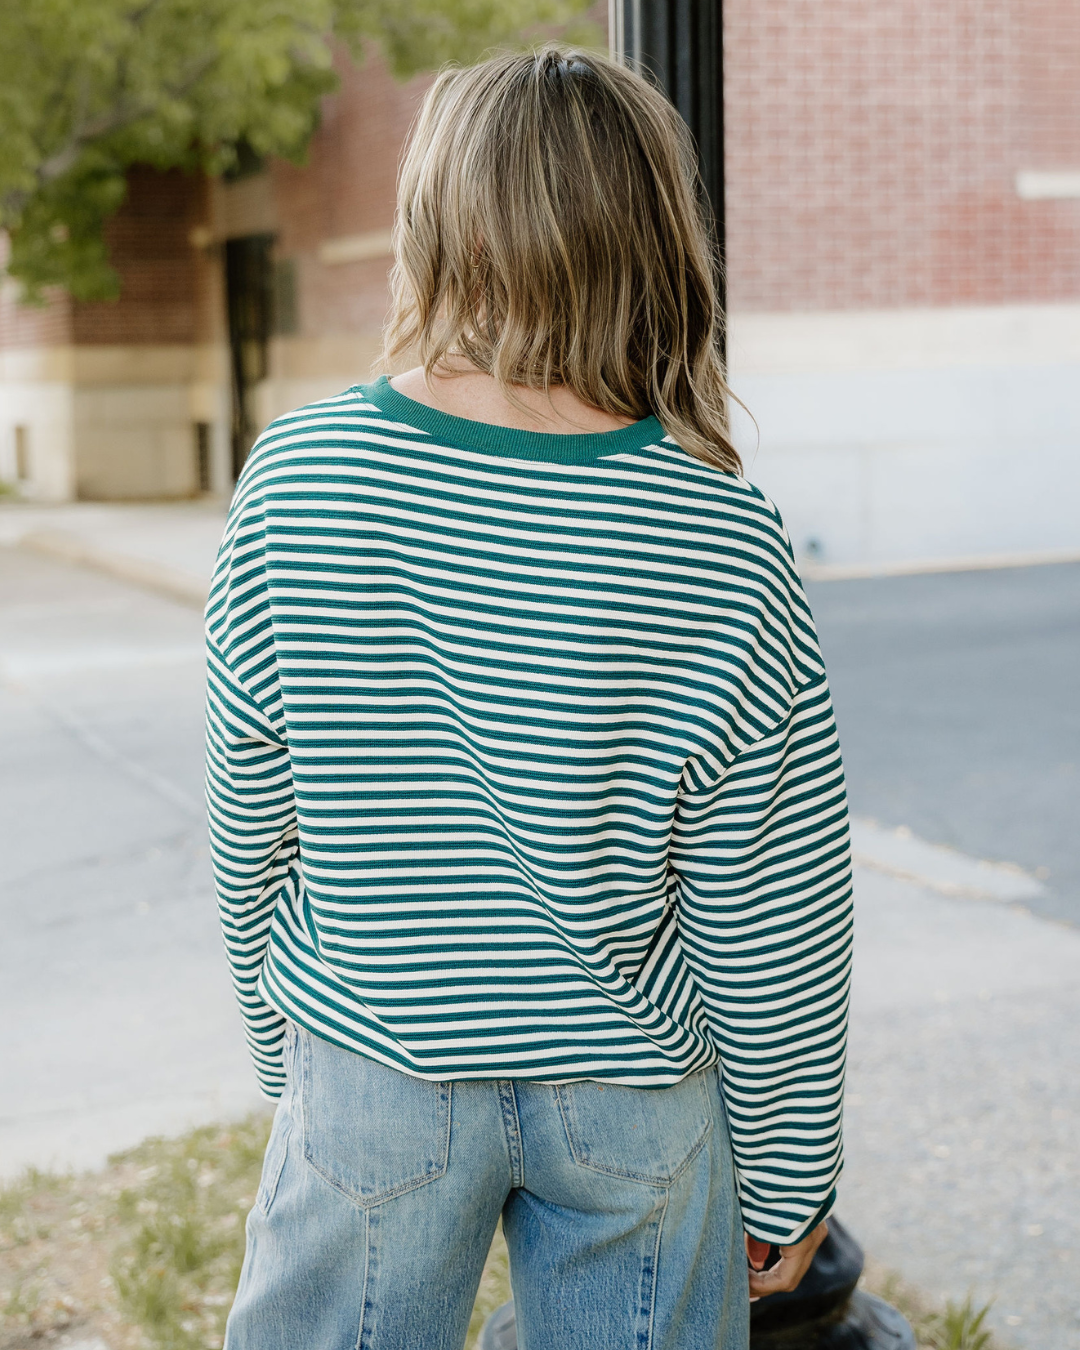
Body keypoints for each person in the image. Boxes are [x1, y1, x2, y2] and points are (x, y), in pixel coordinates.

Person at [206, 43, 852, 1350]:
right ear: (659, 240)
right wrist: (789, 1177)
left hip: (377, 1056)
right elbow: (774, 909)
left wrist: (288, 1053)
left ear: (434, 226)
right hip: (634, 1087)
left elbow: (250, 810)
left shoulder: (302, 479)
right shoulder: (720, 533)